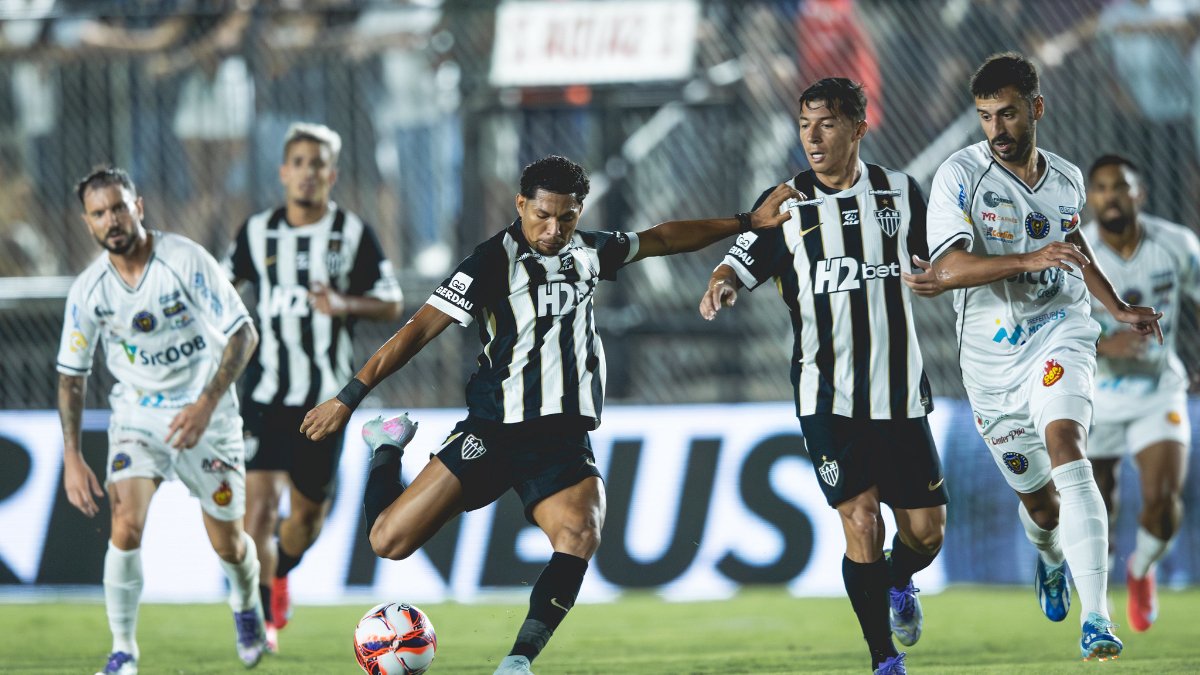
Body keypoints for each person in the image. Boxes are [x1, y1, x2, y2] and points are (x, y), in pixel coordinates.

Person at [300, 154, 799, 675]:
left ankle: (518, 661)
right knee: (388, 542)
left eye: (566, 217)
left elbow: (665, 237)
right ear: (521, 204)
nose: (553, 229)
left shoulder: (589, 251)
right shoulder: (491, 261)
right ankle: (386, 445)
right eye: (542, 215)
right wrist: (348, 398)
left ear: (579, 212)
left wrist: (746, 222)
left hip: (561, 439)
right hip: (493, 432)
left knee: (581, 532)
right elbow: (419, 330)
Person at [905, 52, 1163, 661]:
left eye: (1008, 114)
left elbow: (1071, 245)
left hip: (1060, 330)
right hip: (991, 360)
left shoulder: (1067, 178)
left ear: (1036, 109)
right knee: (1041, 506)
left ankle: (1097, 618)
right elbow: (949, 267)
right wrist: (1027, 259)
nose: (997, 128)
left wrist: (1117, 307)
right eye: (986, 116)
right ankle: (1050, 559)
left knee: (1068, 445)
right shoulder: (960, 177)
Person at [700, 77, 945, 675]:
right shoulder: (785, 202)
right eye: (804, 123)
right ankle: (884, 660)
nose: (811, 136)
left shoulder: (901, 193)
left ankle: (897, 580)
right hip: (826, 395)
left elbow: (941, 260)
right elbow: (739, 262)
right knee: (860, 518)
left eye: (826, 124)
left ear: (859, 127)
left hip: (899, 391)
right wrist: (723, 284)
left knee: (927, 534)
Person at [56, 167, 266, 675]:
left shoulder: (185, 261)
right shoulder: (89, 292)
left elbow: (243, 333)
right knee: (125, 525)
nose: (112, 220)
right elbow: (71, 376)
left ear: (139, 207)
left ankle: (245, 605)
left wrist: (206, 404)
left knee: (229, 544)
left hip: (207, 416)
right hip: (139, 418)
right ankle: (123, 647)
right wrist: (71, 455)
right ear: (87, 223)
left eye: (119, 207)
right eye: (99, 212)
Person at [223, 122, 404, 652]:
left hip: (326, 399)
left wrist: (345, 304)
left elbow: (391, 300)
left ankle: (279, 574)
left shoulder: (352, 233)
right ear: (284, 172)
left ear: (333, 173)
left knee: (305, 518)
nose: (307, 172)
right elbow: (222, 291)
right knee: (256, 506)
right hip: (263, 394)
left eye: (317, 163)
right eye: (298, 162)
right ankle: (256, 621)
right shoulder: (256, 232)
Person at [1082, 154, 1199, 632]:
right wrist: (1103, 342)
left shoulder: (1175, 244)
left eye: (1120, 186)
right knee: (1098, 507)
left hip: (1158, 389)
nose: (1111, 195)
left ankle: (1142, 570)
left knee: (1165, 500)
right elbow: (1042, 323)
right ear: (1090, 199)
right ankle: (1098, 603)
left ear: (1139, 193)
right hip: (1094, 392)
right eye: (1101, 188)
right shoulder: (1077, 252)